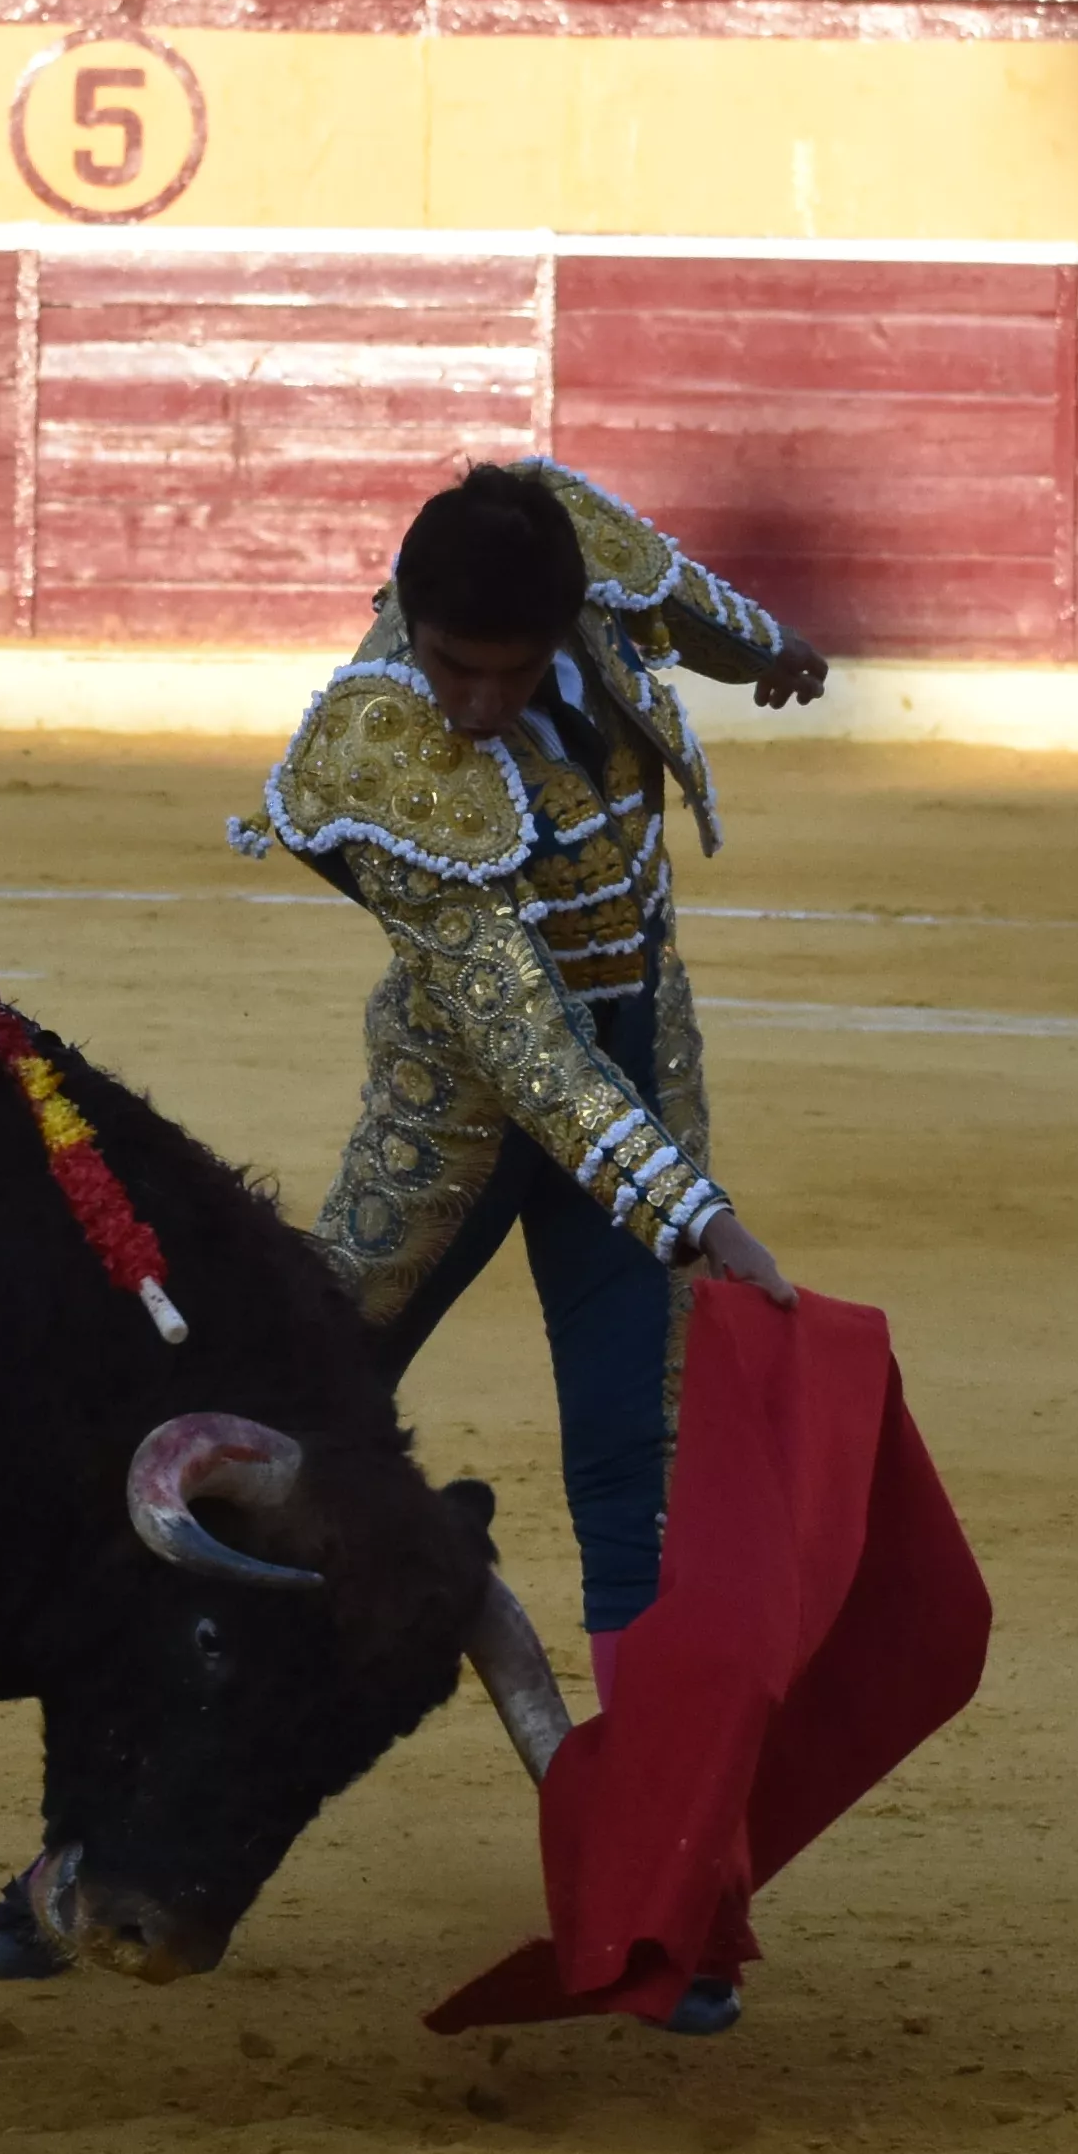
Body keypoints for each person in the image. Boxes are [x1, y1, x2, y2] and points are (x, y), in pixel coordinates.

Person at [244, 463, 827, 1889]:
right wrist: (699, 1218)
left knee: (637, 1478)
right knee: (282, 1442)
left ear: (565, 628)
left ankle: (666, 1881)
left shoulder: (579, 564)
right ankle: (101, 1837)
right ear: (412, 623)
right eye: (454, 665)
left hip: (639, 1063)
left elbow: (678, 596)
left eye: (513, 672)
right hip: (461, 1121)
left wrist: (775, 653)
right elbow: (528, 1049)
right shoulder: (381, 747)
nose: (478, 704)